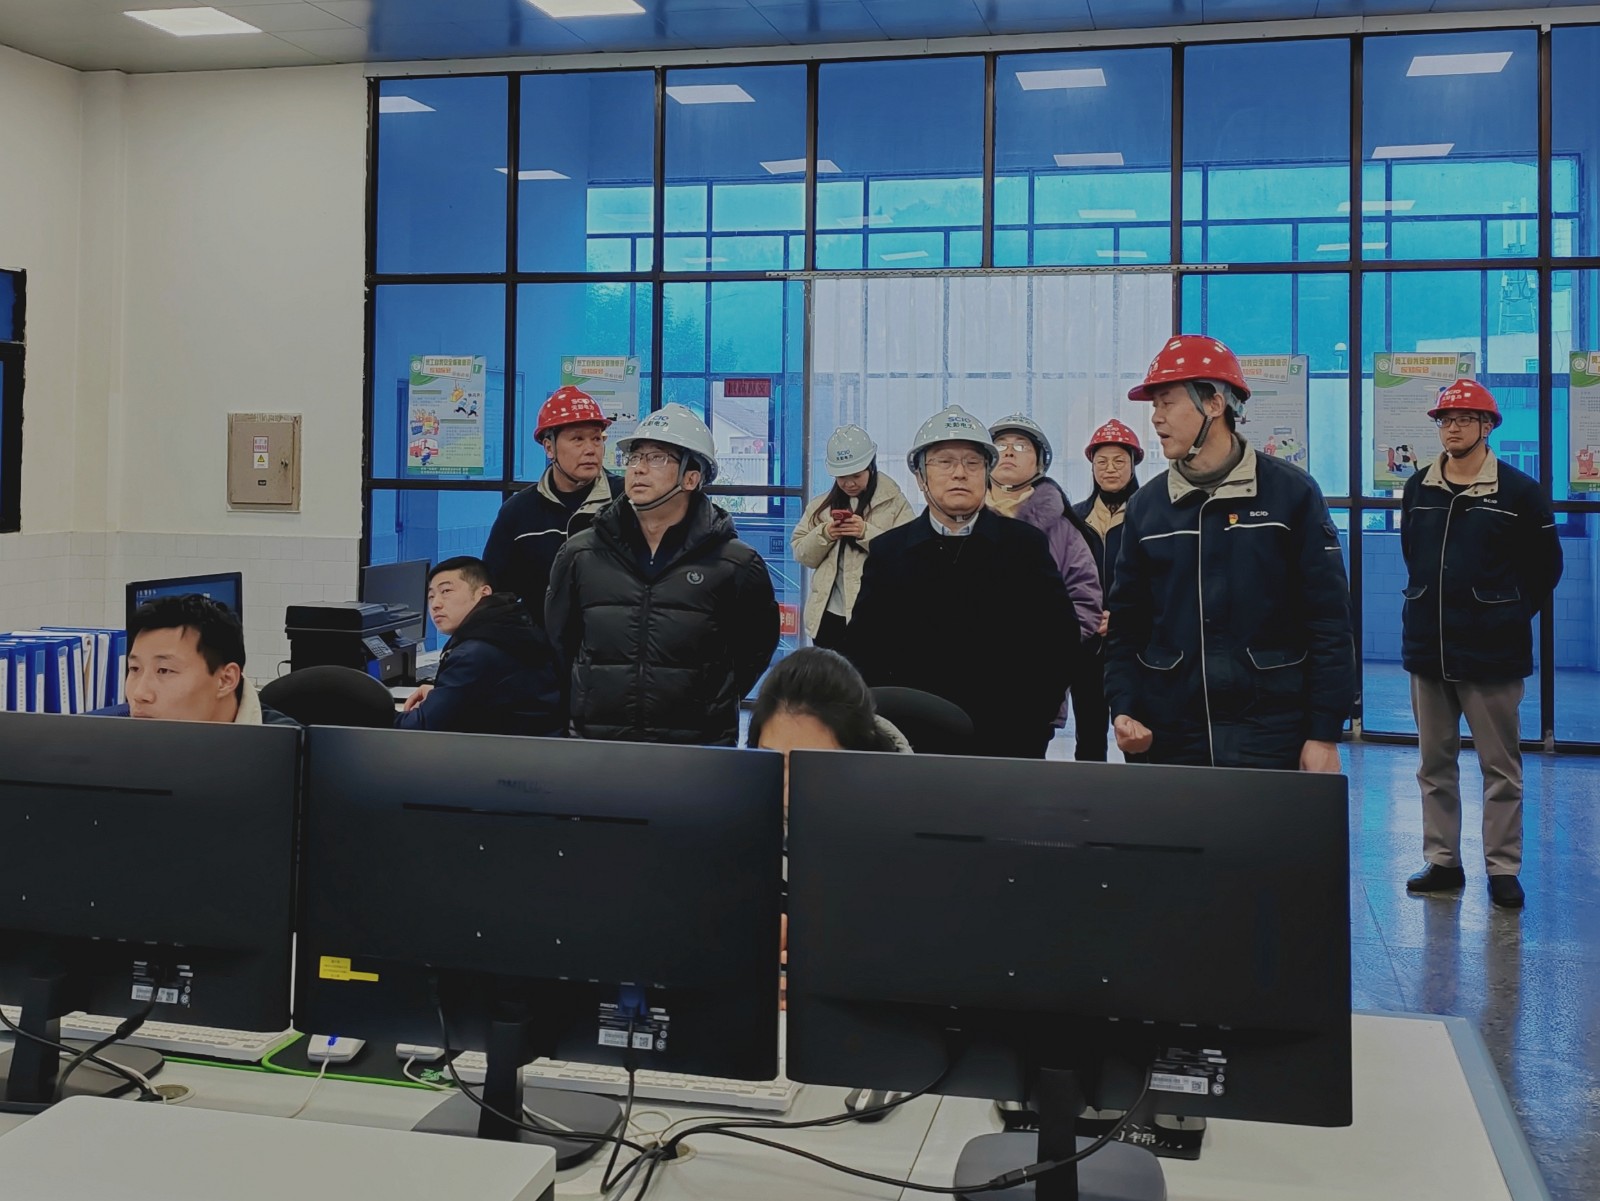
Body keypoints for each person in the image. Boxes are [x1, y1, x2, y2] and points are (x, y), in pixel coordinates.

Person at [1104, 335, 1354, 771]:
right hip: (1170, 733)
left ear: (1214, 404)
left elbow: (1329, 620)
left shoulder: (1291, 494)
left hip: (1270, 732)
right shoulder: (1147, 507)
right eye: (1154, 406)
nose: (1156, 418)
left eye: (1167, 403)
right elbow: (1127, 624)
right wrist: (1123, 708)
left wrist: (1324, 732)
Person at [1399, 379, 1563, 910]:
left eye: (1464, 419)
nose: (1452, 428)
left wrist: (1506, 612)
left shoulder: (1520, 492)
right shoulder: (1419, 487)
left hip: (1493, 653)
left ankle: (1503, 867)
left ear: (1488, 426)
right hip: (1429, 647)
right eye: (1445, 420)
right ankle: (1443, 860)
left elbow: (1546, 567)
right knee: (1434, 764)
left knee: (1500, 768)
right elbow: (1413, 553)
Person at [844, 405, 1076, 760]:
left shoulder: (1024, 545)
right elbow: (865, 648)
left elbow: (1059, 639)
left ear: (987, 473)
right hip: (913, 742)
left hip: (1010, 741)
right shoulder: (890, 552)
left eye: (972, 463)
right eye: (944, 462)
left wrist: (1033, 719)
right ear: (921, 476)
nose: (959, 473)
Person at [546, 403, 779, 746]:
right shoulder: (581, 554)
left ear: (691, 477)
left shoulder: (735, 564)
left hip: (698, 746)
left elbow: (754, 650)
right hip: (600, 743)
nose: (639, 469)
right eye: (634, 458)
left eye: (657, 458)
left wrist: (710, 698)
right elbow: (561, 643)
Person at [481, 385, 619, 624]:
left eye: (597, 438)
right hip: (540, 643)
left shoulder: (626, 500)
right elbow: (495, 593)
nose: (590, 450)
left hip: (613, 642)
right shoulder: (519, 511)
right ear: (549, 447)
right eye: (577, 439)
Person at [396, 556, 564, 737]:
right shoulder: (509, 628)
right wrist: (443, 694)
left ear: (483, 593)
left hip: (509, 751)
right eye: (431, 596)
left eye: (446, 591)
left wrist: (375, 713)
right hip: (541, 744)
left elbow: (419, 728)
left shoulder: (473, 653)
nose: (435, 604)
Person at [790, 425, 914, 651]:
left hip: (877, 617)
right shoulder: (820, 507)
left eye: (856, 475)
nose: (849, 483)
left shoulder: (895, 504)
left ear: (871, 467)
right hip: (828, 618)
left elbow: (909, 556)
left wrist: (866, 533)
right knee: (829, 674)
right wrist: (825, 534)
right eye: (841, 477)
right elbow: (801, 554)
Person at [986, 414, 1101, 644]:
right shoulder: (962, 519)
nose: (1009, 452)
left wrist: (1049, 648)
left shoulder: (1064, 531)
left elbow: (1085, 601)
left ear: (1039, 463)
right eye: (1000, 445)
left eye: (1021, 446)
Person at [93, 594, 296, 725]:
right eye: (134, 669)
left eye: (164, 670)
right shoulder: (98, 739)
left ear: (225, 680)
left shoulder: (292, 760)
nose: (139, 694)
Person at [1070, 419, 1145, 761]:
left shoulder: (1150, 516)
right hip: (1087, 647)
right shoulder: (1075, 519)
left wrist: (1125, 617)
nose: (1110, 469)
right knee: (1088, 738)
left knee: (1137, 735)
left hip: (1136, 648)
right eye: (1102, 461)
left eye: (1119, 461)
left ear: (1133, 463)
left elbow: (1161, 581)